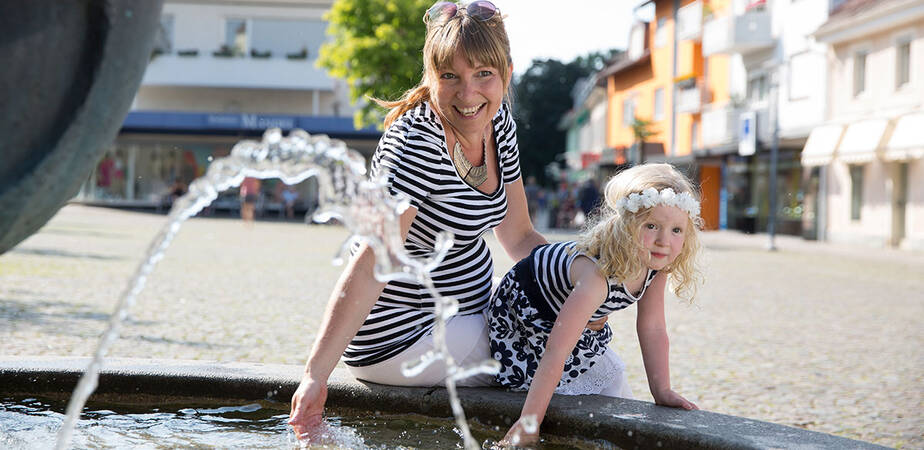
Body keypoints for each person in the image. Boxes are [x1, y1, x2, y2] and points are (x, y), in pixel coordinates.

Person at [288, 1, 557, 439]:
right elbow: (376, 260)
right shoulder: (415, 141)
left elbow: (519, 235)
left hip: (465, 322)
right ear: (431, 75)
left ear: (507, 73)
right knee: (566, 357)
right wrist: (316, 375)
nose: (468, 95)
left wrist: (575, 275)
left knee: (576, 330)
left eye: (483, 75)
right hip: (401, 339)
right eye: (450, 76)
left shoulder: (499, 122)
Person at [488, 163, 704, 446]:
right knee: (565, 381)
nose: (664, 241)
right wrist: (530, 422)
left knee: (610, 384)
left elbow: (651, 327)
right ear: (628, 226)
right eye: (651, 226)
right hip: (527, 311)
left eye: (676, 230)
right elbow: (555, 350)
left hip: (571, 317)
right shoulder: (596, 276)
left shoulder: (655, 266)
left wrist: (661, 390)